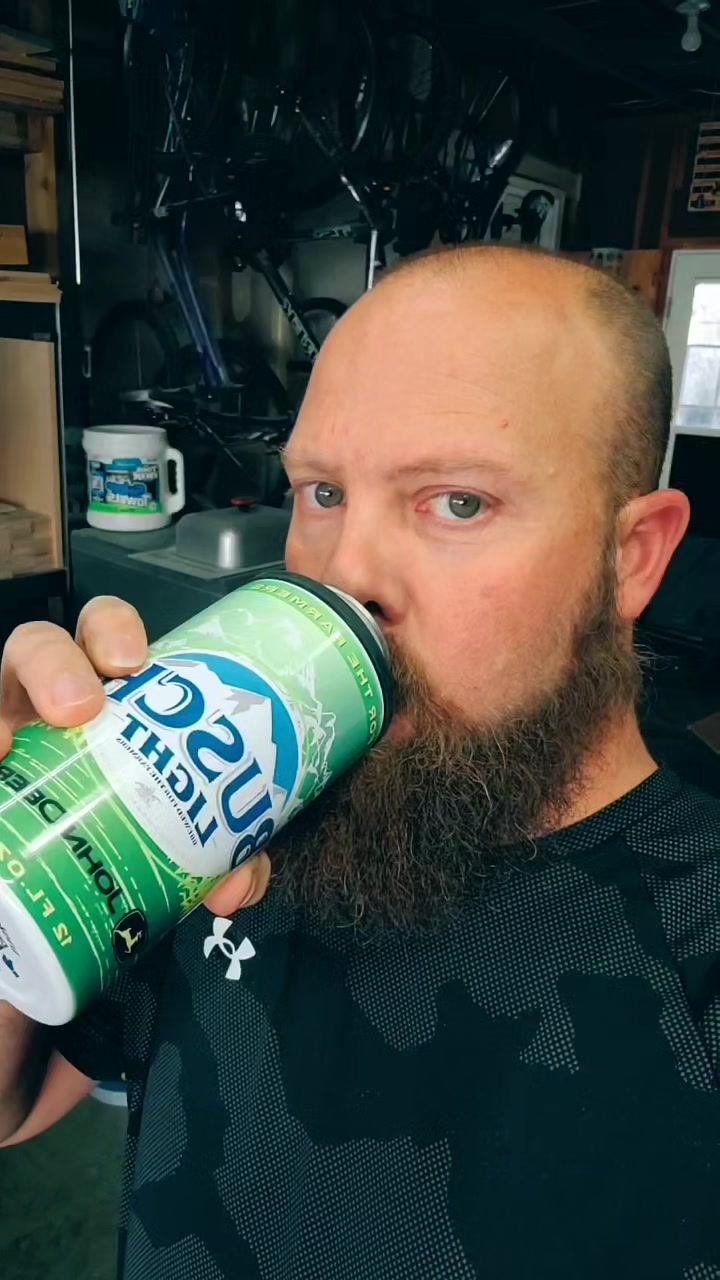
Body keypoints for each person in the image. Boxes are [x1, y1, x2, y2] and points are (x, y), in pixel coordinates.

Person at [1, 244, 719, 1280]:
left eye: (457, 501)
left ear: (632, 557)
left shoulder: (694, 951)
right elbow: (15, 1103)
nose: (346, 574)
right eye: (324, 491)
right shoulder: (227, 805)